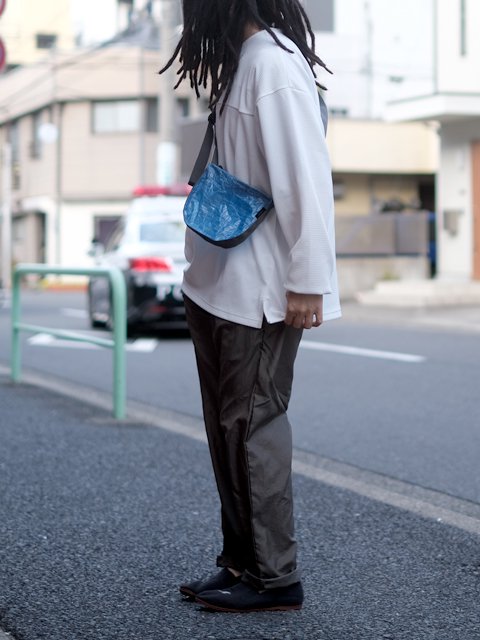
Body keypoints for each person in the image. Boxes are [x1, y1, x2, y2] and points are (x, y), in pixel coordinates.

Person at [160, 0, 341, 613]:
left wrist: (308, 281)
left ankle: (275, 576)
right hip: (217, 280)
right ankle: (240, 562)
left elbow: (306, 178)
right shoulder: (246, 61)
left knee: (253, 427)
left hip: (260, 290)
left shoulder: (274, 63)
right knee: (228, 431)